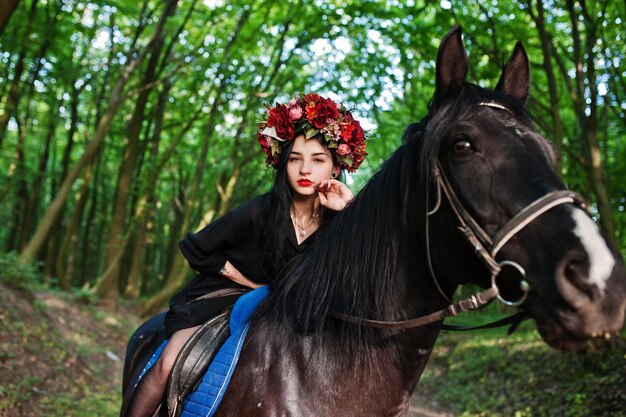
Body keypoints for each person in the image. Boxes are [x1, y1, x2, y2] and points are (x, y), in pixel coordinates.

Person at [126, 93, 368, 417]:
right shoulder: (261, 209)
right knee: (168, 363)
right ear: (283, 163)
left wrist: (350, 210)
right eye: (295, 158)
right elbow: (197, 246)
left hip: (286, 311)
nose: (305, 168)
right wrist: (243, 279)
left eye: (318, 159)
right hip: (224, 296)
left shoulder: (338, 220)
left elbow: (359, 276)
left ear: (336, 167)